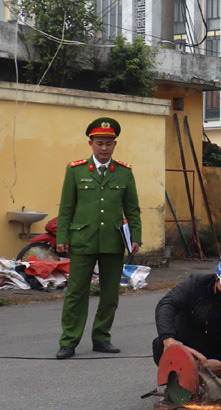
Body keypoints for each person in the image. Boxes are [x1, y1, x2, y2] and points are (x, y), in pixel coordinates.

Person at [55, 117, 142, 359]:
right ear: (90, 144)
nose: (104, 148)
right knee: (76, 292)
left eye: (109, 143)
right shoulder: (76, 171)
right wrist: (63, 236)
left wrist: (136, 237)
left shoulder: (124, 173)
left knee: (110, 293)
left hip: (113, 242)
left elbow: (132, 209)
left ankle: (102, 337)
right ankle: (69, 341)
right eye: (99, 143)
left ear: (115, 145)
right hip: (83, 240)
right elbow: (67, 208)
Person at [152, 256, 221, 402]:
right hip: (189, 345)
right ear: (217, 277)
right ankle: (179, 380)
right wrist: (168, 338)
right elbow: (167, 304)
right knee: (160, 344)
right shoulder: (196, 285)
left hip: (219, 352)